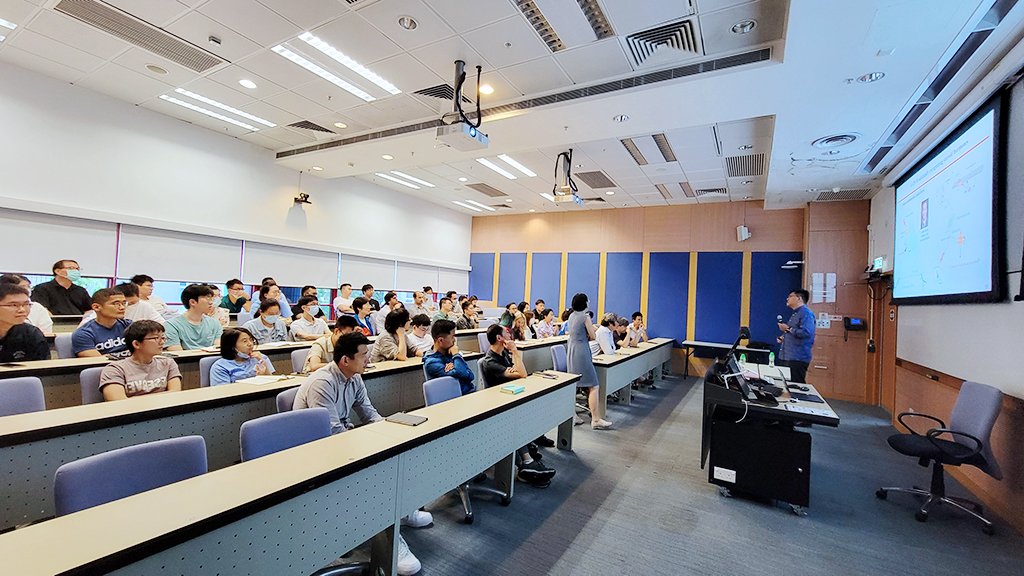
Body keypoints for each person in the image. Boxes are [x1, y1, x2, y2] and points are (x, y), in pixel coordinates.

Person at [294, 332, 427, 575]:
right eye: (364, 355)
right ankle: (391, 541)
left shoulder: (354, 377)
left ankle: (400, 511)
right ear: (345, 360)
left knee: (396, 456)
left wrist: (388, 431)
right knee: (376, 474)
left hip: (340, 442)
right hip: (314, 453)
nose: (369, 360)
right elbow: (331, 434)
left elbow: (369, 413)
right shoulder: (322, 383)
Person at [479, 324, 558, 487]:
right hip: (499, 407)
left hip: (512, 399)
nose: (510, 336)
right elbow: (521, 374)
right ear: (499, 339)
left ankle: (528, 455)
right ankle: (527, 462)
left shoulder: (503, 355)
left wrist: (513, 355)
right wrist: (515, 351)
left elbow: (521, 372)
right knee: (516, 420)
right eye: (506, 334)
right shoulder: (490, 362)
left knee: (530, 412)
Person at [98, 320, 181, 401]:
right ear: (136, 344)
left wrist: (132, 399)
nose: (162, 342)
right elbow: (119, 401)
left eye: (163, 338)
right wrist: (163, 396)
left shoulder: (168, 363)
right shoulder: (114, 369)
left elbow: (175, 393)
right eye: (156, 338)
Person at [567, 293, 612, 429]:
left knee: (574, 385)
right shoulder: (585, 317)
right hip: (582, 351)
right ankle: (596, 419)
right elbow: (593, 336)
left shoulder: (571, 316)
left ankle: (572, 415)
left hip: (572, 350)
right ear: (585, 303)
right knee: (593, 385)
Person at [71, 288, 132, 359]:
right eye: (116, 304)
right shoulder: (83, 333)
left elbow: (143, 351)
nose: (122, 307)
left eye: (124, 303)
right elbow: (97, 360)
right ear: (96, 307)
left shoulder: (129, 325)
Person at [163, 284, 223, 351]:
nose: (211, 302)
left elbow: (218, 349)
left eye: (212, 299)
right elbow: (177, 354)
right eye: (207, 298)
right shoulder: (171, 325)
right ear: (192, 302)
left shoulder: (215, 323)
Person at [423, 319, 475, 395]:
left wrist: (456, 367)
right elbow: (462, 373)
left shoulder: (449, 353)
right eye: (452, 337)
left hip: (468, 393)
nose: (454, 340)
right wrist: (456, 355)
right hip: (454, 398)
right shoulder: (431, 362)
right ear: (440, 340)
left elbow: (470, 375)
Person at [0, 282, 49, 362]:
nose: (22, 310)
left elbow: (42, 366)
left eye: (26, 304)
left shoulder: (31, 333)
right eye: (14, 305)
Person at [210, 327, 275, 385]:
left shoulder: (259, 357)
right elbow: (223, 392)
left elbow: (272, 383)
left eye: (251, 340)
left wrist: (263, 363)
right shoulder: (220, 367)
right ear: (232, 346)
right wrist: (256, 380)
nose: (250, 344)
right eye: (244, 341)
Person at [778, 289, 816, 383]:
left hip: (797, 357)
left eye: (790, 296)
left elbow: (806, 333)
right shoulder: (796, 313)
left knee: (795, 386)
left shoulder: (806, 313)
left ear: (799, 298)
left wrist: (787, 329)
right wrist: (784, 337)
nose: (787, 299)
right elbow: (794, 332)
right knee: (785, 385)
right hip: (787, 356)